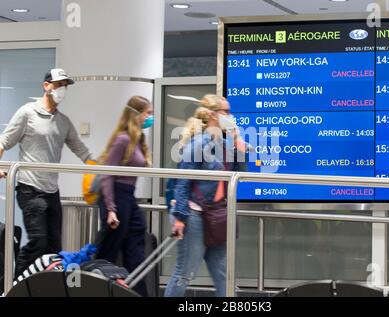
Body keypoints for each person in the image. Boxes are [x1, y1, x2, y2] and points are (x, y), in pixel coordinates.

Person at [0, 68, 93, 277]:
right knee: (38, 240)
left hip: (52, 191)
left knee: (53, 246)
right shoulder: (27, 113)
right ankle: (15, 285)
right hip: (29, 188)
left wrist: (100, 168)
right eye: (59, 84)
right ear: (46, 86)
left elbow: (81, 150)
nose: (62, 89)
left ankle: (44, 286)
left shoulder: (63, 122)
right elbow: (4, 140)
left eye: (65, 86)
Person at [164, 94, 249, 297]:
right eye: (225, 112)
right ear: (212, 115)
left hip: (216, 215)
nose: (230, 115)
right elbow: (182, 183)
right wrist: (180, 217)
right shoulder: (198, 144)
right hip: (194, 215)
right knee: (185, 273)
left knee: (222, 273)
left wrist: (239, 143)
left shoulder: (225, 144)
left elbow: (240, 173)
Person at [96, 95, 153, 297]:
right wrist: (111, 209)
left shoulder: (138, 140)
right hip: (117, 195)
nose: (151, 118)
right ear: (136, 114)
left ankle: (138, 293)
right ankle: (96, 287)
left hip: (128, 196)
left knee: (135, 247)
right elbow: (107, 174)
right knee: (110, 249)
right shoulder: (123, 139)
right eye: (148, 113)